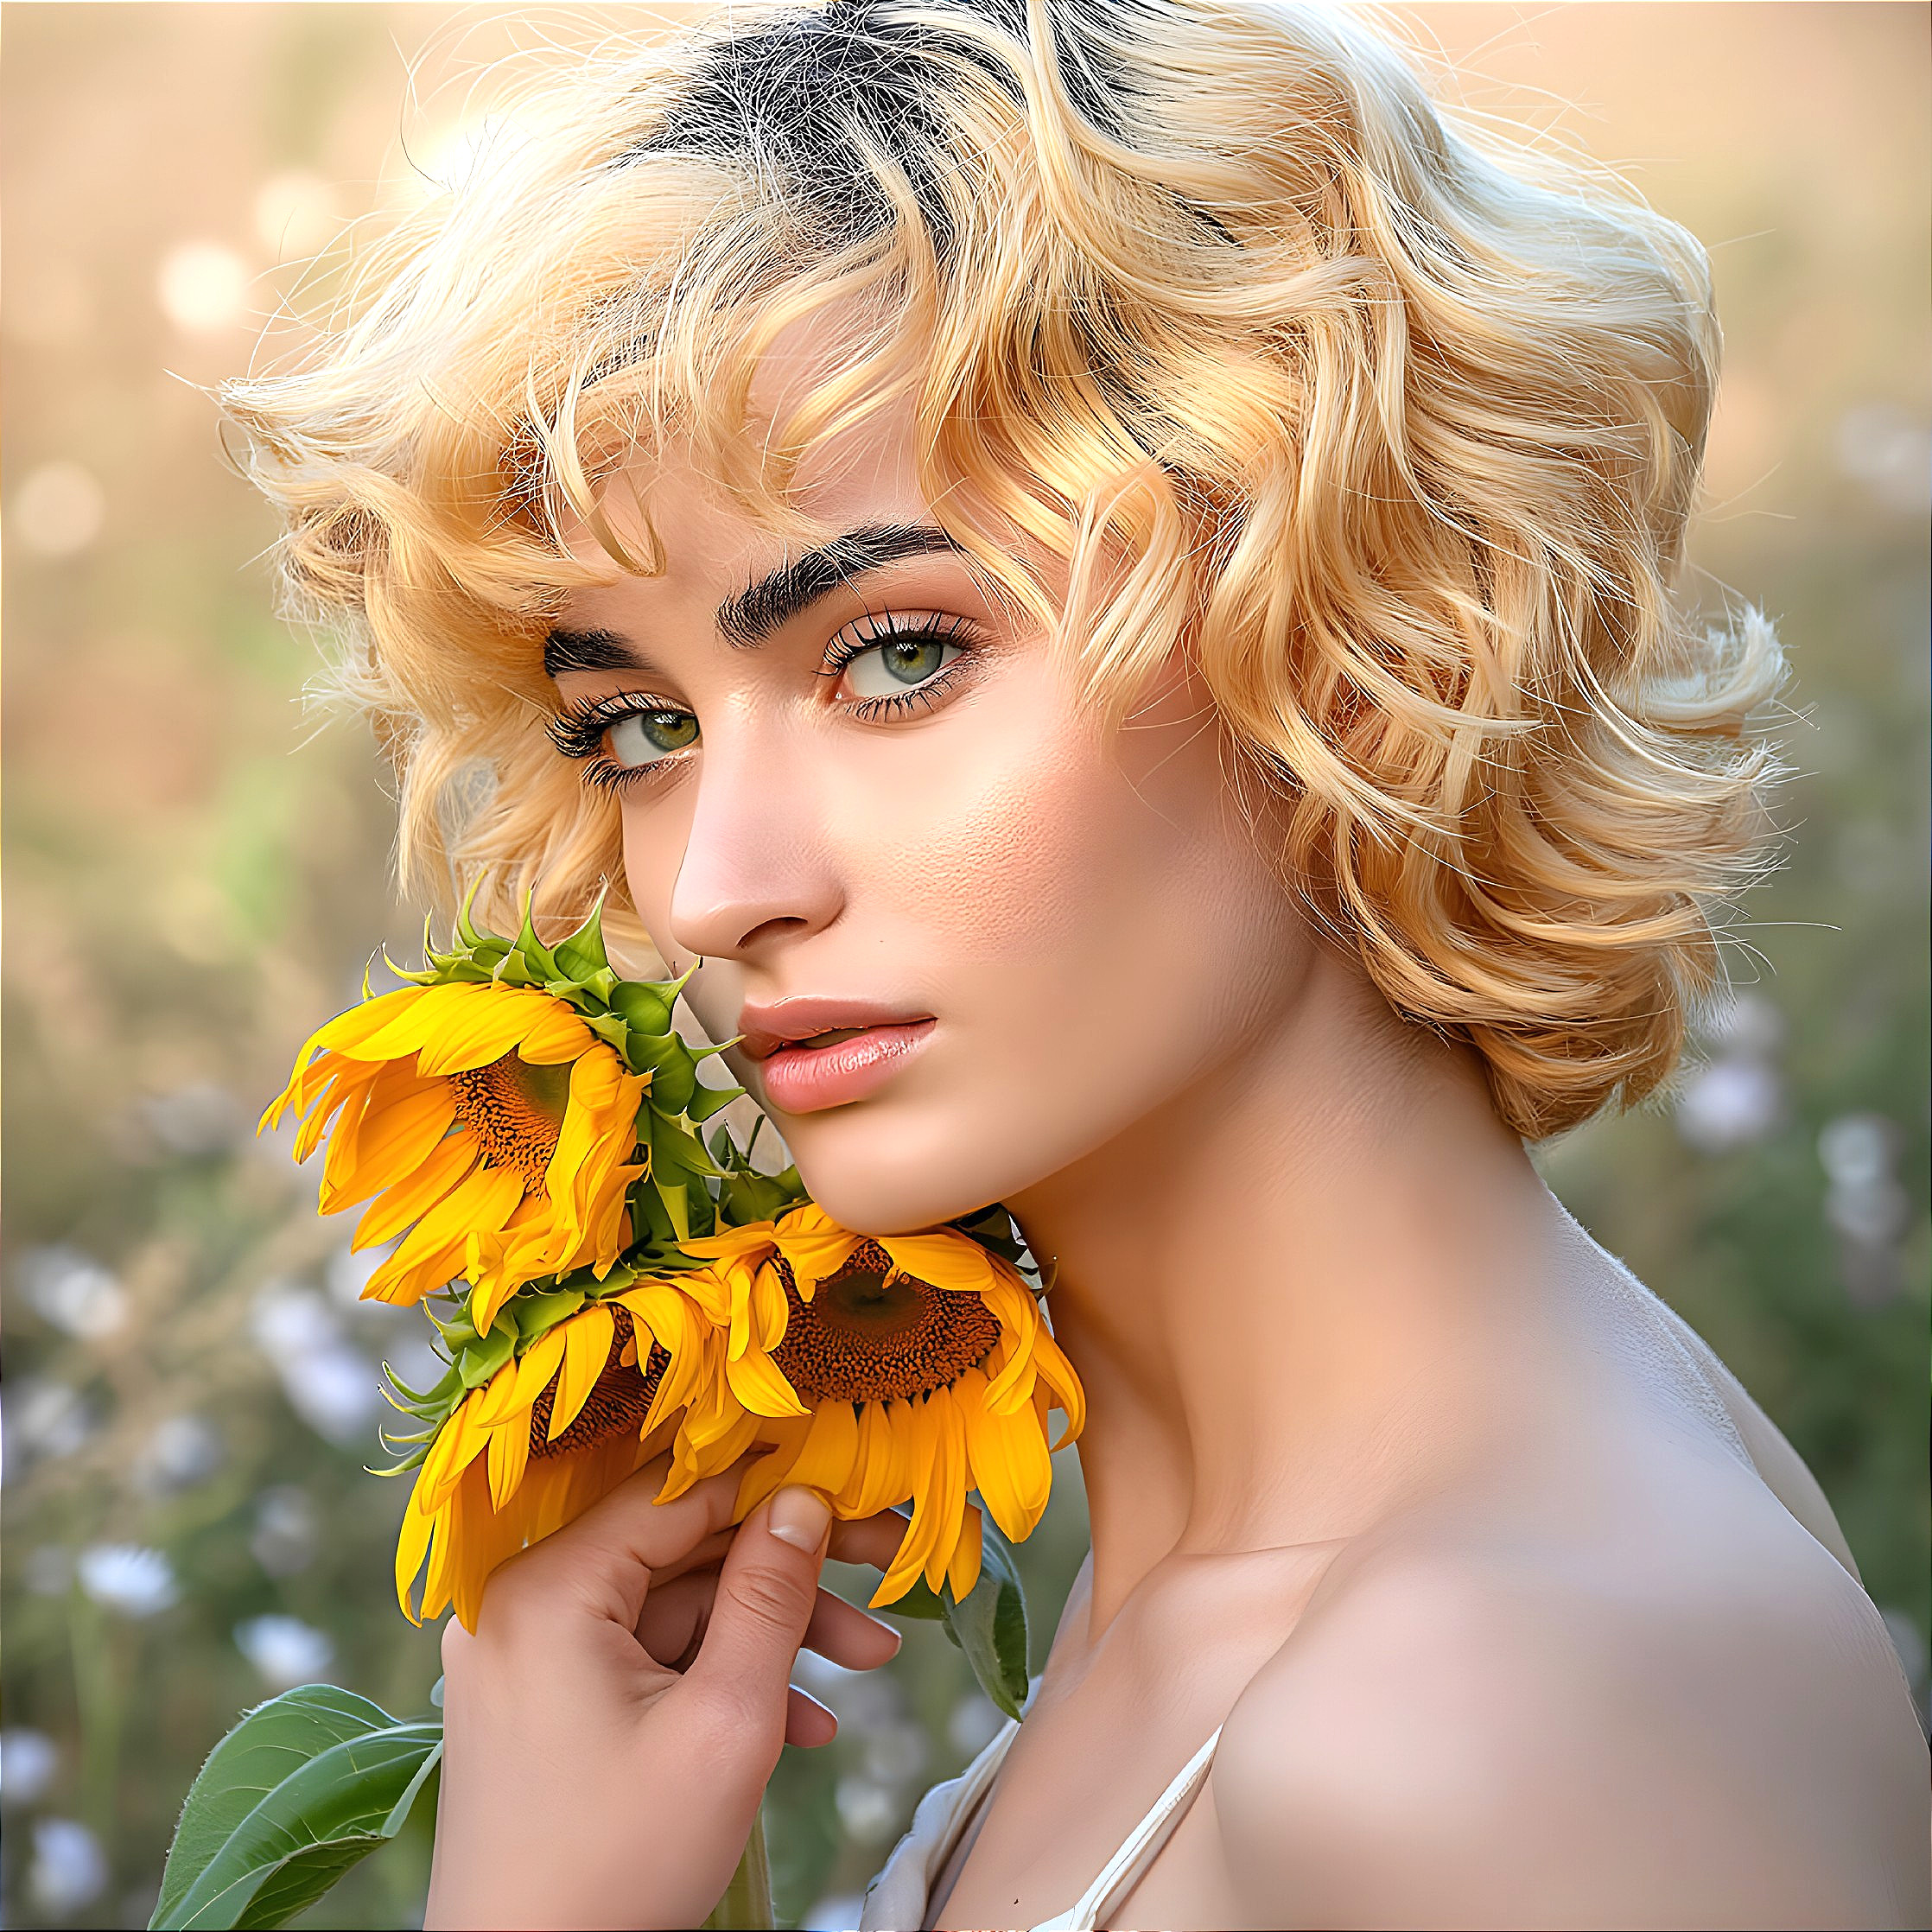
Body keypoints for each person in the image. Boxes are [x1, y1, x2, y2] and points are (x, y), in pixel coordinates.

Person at [224, 2, 1930, 1925]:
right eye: (636, 727)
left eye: (894, 656)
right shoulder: (1364, 1550)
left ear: (1357, 628)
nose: (713, 885)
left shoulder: (1488, 1729)